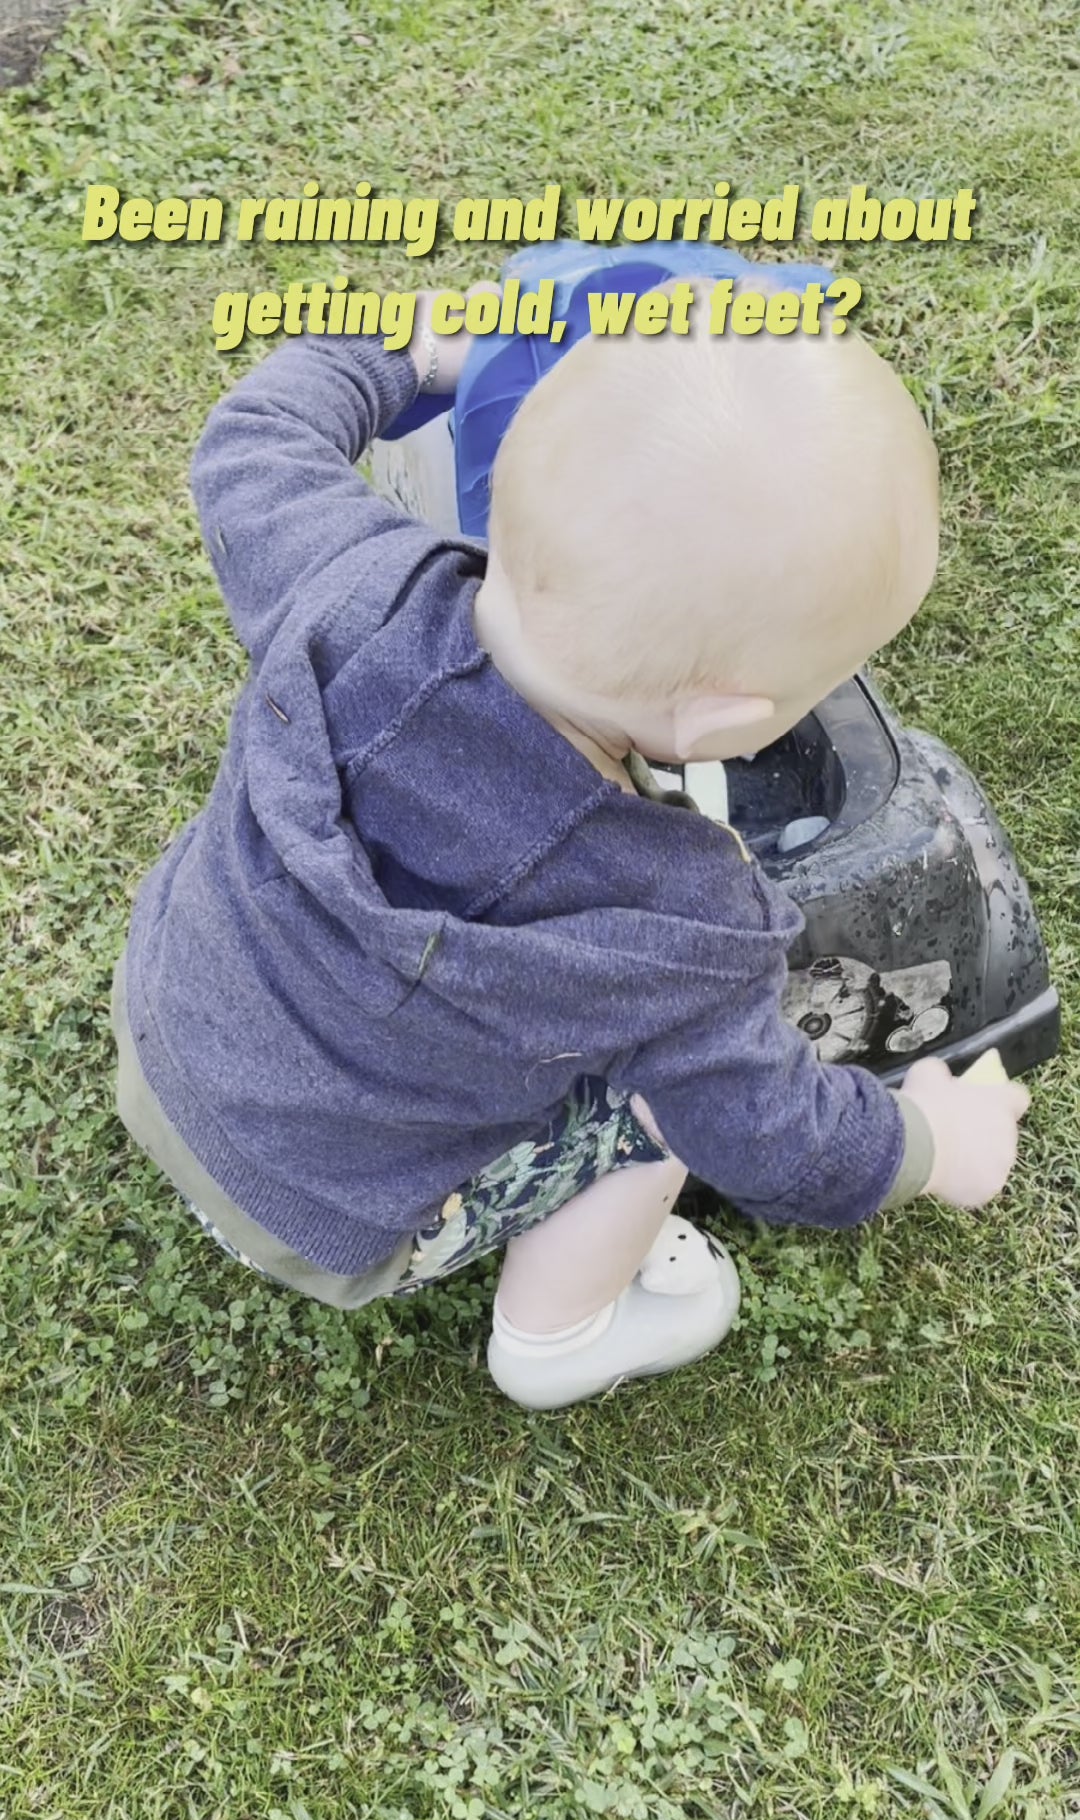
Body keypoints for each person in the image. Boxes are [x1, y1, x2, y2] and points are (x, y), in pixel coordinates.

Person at [112, 276, 1031, 1411]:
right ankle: (559, 1336)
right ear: (732, 723)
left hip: (162, 1028)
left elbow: (252, 434)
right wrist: (939, 1141)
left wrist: (415, 350)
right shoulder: (681, 928)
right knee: (660, 1111)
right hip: (321, 1214)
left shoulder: (346, 581)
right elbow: (776, 1139)